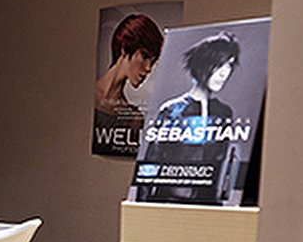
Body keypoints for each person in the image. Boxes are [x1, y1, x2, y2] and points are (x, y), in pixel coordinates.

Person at [136, 32, 243, 202]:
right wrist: (142, 208)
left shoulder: (223, 113)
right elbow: (150, 166)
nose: (224, 73)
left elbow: (224, 164)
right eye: (219, 65)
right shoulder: (172, 111)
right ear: (203, 64)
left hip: (209, 205)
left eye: (229, 65)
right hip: (169, 203)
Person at [94, 14, 164, 115]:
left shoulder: (133, 117)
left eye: (152, 62)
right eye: (144, 56)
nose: (149, 68)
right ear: (124, 48)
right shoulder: (87, 95)